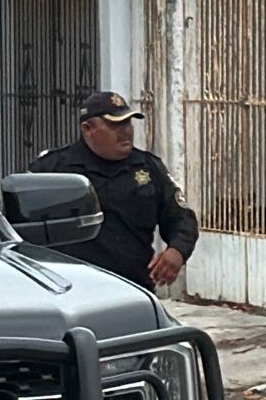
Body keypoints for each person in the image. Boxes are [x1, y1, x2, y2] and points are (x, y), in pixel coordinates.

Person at [29, 91, 198, 292]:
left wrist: (177, 252)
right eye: (115, 125)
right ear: (87, 129)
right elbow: (20, 227)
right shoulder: (52, 169)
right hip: (71, 290)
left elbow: (181, 218)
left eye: (128, 123)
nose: (125, 131)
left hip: (132, 288)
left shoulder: (148, 168)